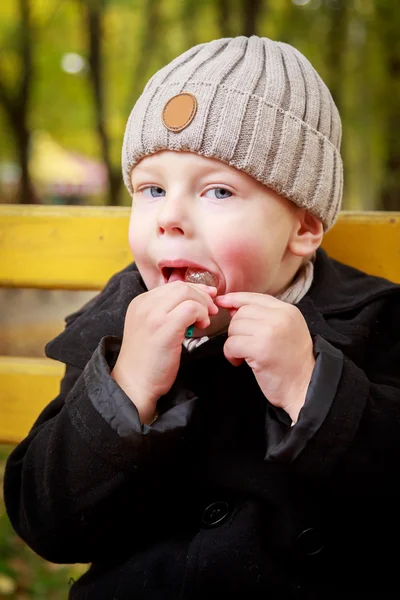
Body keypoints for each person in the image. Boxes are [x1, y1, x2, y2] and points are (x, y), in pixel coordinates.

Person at [4, 36, 400, 599]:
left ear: (304, 228)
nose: (170, 217)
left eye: (217, 190)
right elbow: (47, 522)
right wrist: (125, 391)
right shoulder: (114, 334)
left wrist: (316, 390)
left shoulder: (373, 322)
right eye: (152, 188)